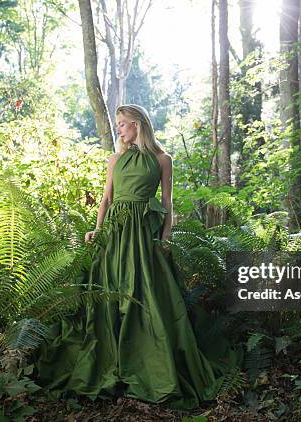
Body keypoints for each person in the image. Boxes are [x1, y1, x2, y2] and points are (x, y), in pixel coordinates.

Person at [34, 104, 237, 411]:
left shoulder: (162, 159)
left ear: (138, 125)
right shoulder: (115, 159)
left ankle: (150, 362)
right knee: (110, 291)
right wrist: (96, 230)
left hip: (144, 237)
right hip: (115, 235)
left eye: (123, 124)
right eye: (117, 124)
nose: (119, 128)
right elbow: (106, 200)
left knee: (150, 295)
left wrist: (165, 239)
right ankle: (111, 358)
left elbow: (167, 203)